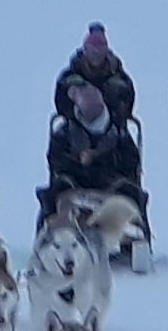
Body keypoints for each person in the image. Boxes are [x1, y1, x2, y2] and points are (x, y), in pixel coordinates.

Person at [45, 68, 151, 259]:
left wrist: (103, 159)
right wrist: (78, 161)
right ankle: (50, 242)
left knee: (131, 193)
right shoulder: (66, 131)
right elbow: (55, 160)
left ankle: (137, 244)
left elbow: (131, 161)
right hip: (76, 184)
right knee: (55, 193)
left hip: (112, 184)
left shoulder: (118, 132)